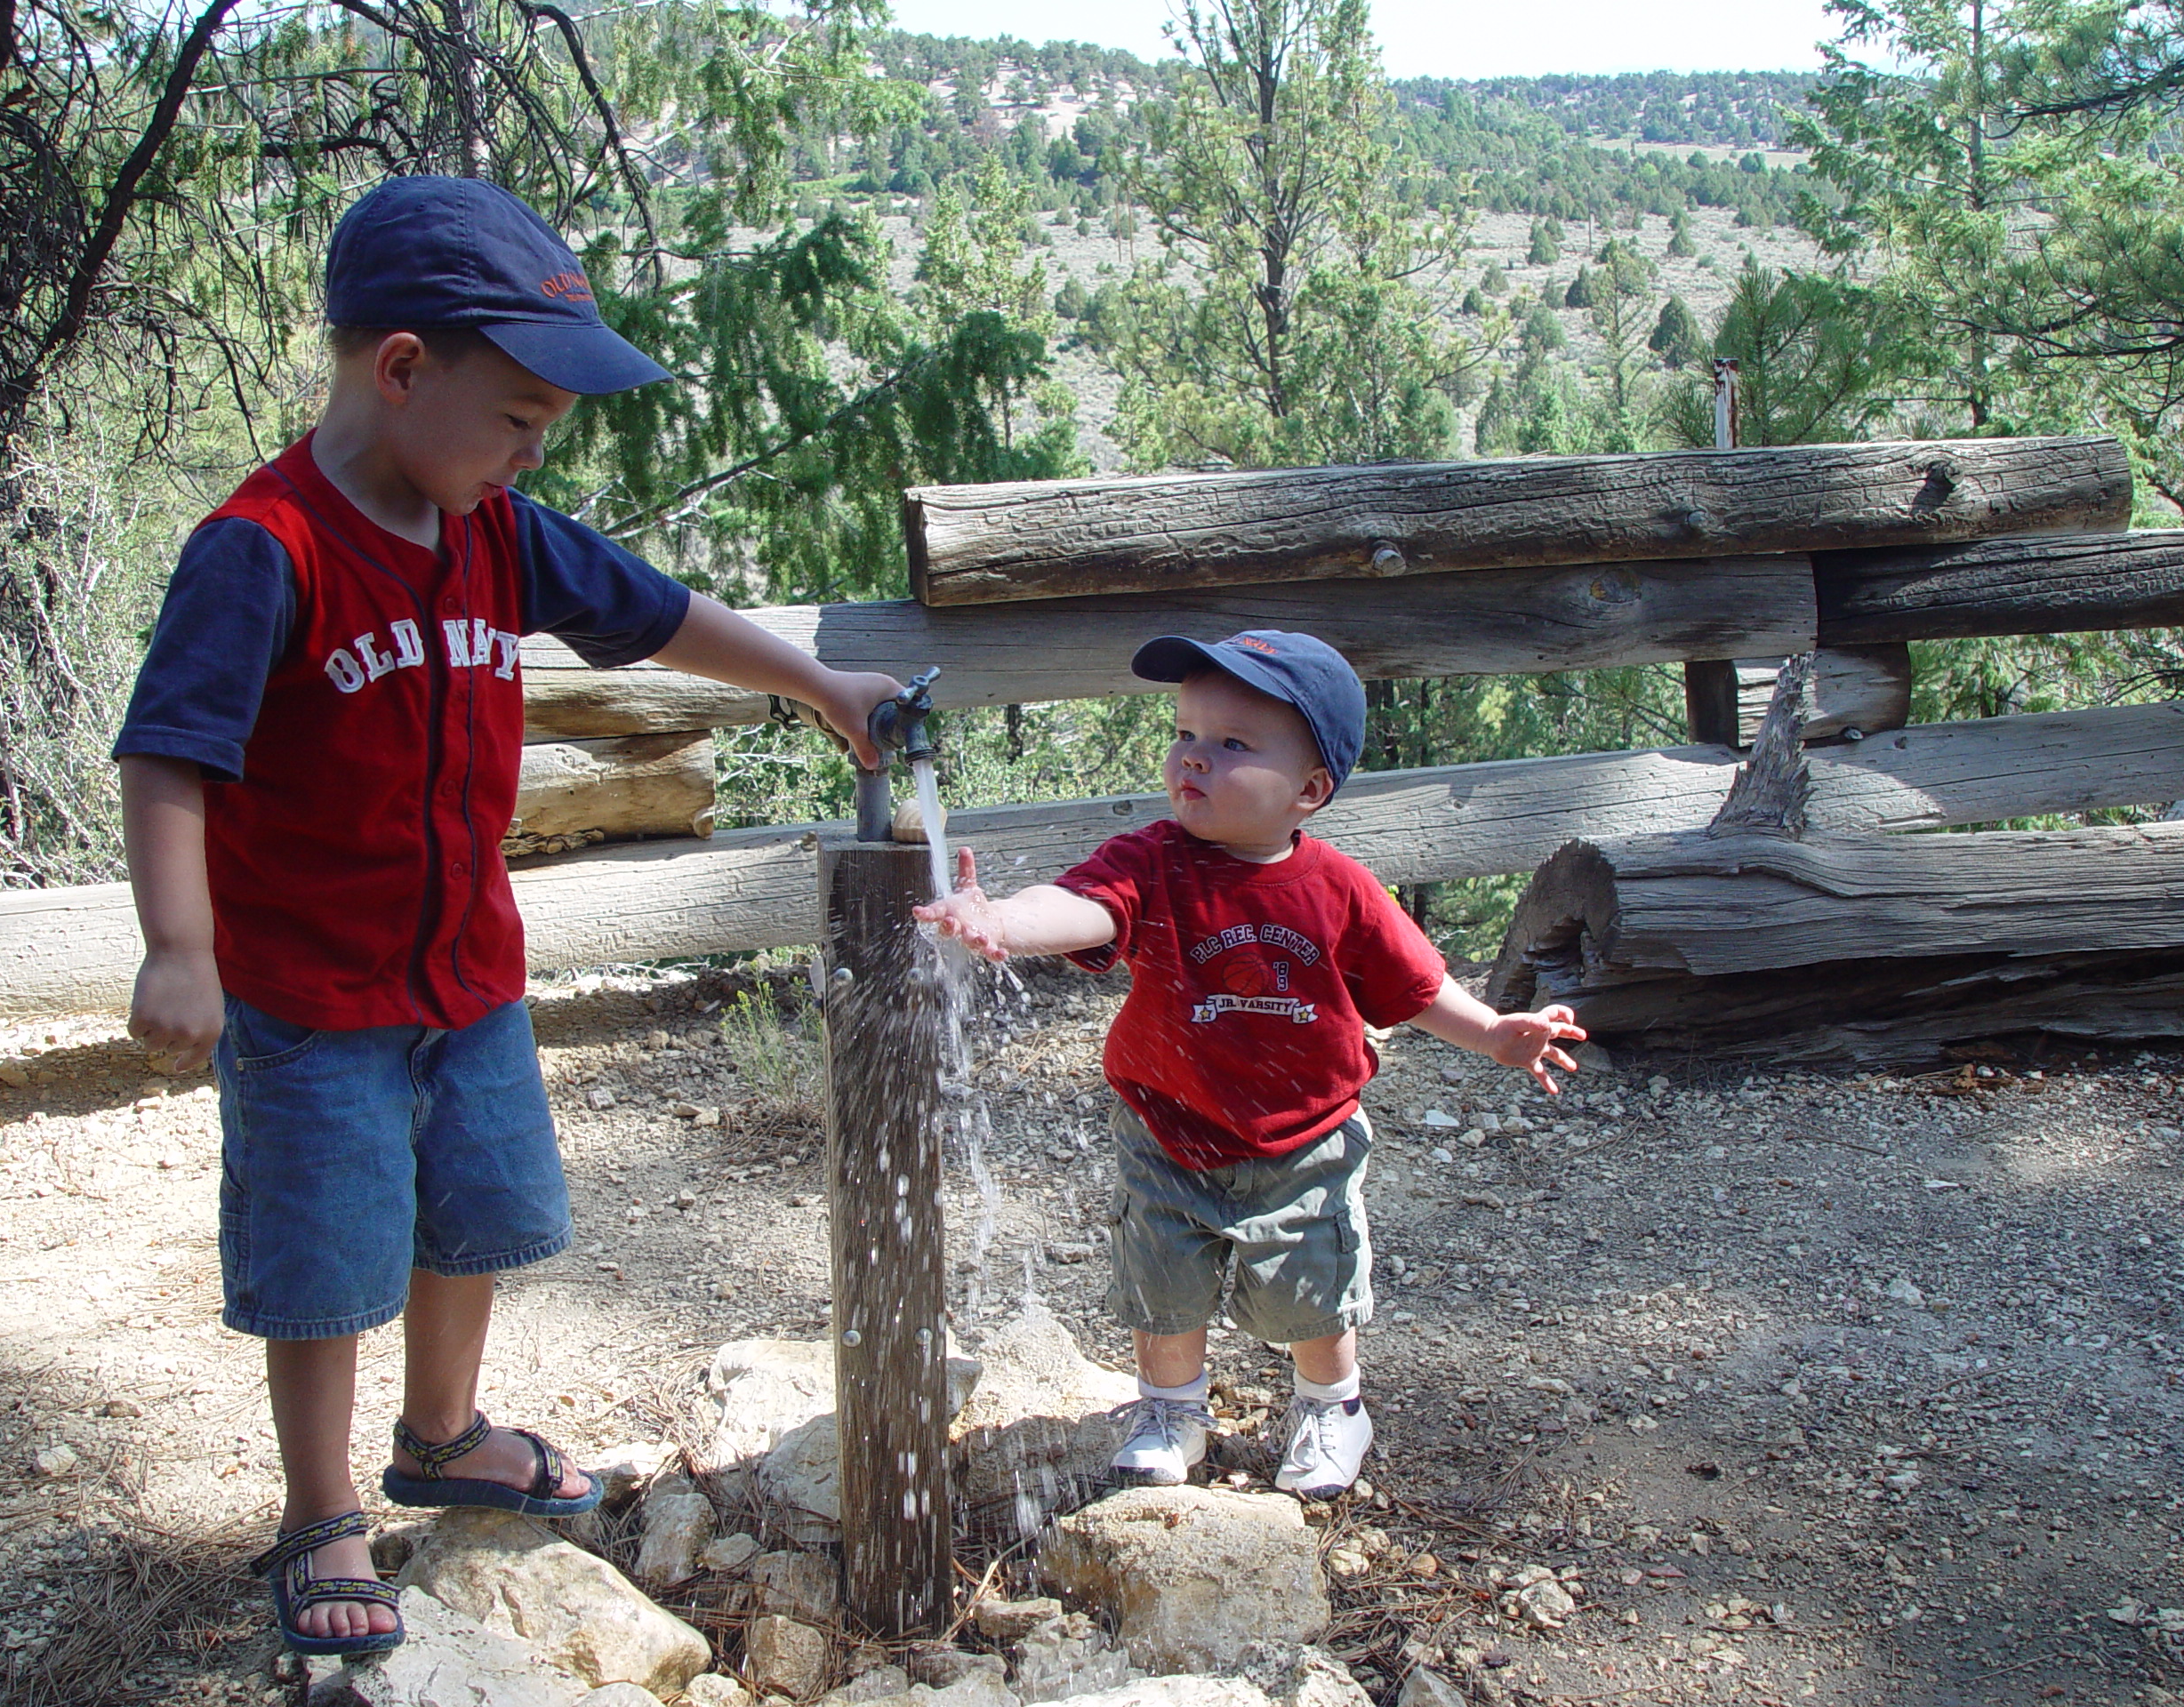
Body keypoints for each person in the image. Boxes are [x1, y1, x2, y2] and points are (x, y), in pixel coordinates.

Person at [113, 176, 903, 1657]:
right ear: (402, 368)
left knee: (469, 1205)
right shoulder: (264, 548)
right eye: (520, 416)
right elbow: (171, 749)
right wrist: (181, 945)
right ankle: (321, 1515)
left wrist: (817, 682)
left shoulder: (498, 531)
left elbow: (654, 611)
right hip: (309, 994)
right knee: (327, 1250)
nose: (534, 451)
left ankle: (443, 1431)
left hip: (466, 979)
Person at [918, 630, 1584, 1499]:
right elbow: (1081, 907)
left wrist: (1495, 1033)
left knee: (1307, 1290)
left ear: (1308, 790)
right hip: (1166, 1127)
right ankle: (1169, 1410)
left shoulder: (1338, 888)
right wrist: (1002, 920)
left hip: (1303, 1140)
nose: (1193, 756)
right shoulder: (1149, 861)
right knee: (1164, 1283)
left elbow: (1413, 985)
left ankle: (1331, 1407)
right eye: (1185, 732)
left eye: (1232, 743)